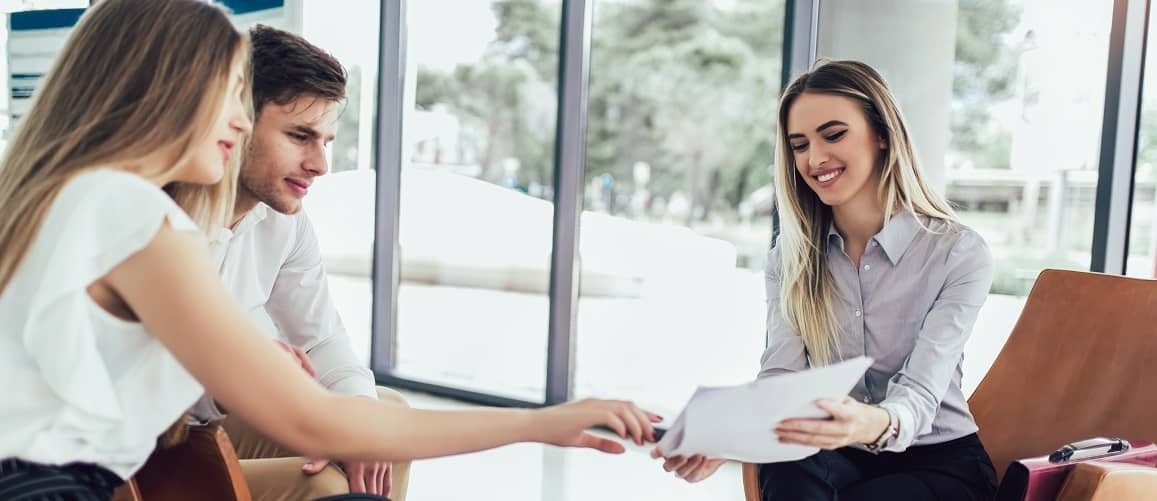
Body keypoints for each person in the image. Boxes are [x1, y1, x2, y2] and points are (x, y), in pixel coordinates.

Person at [0, 1, 657, 499]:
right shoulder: (133, 212)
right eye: (229, 95)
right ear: (162, 90)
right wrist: (540, 421)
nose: (235, 119)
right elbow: (311, 419)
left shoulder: (65, 196)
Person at [652, 59, 997, 501]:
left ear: (882, 136)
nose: (814, 159)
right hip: (836, 451)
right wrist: (733, 436)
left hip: (938, 459)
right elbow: (782, 376)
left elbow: (921, 394)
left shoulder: (958, 253)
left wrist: (869, 422)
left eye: (833, 135)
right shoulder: (790, 260)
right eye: (799, 145)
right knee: (788, 463)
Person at [186, 24, 409, 501]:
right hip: (150, 442)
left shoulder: (283, 221)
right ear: (235, 122)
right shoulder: (165, 217)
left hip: (206, 414)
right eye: (300, 136)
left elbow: (321, 335)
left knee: (386, 425)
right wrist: (241, 370)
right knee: (325, 481)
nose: (320, 164)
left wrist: (359, 416)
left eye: (325, 141)